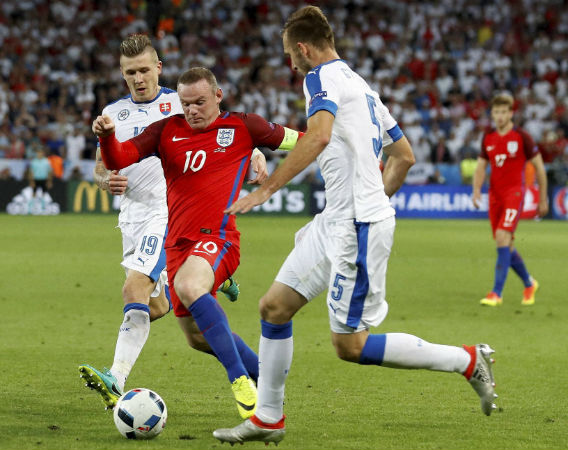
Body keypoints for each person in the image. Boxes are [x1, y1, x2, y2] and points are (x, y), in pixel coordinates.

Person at [213, 6, 498, 445]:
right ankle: (268, 419)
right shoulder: (362, 87)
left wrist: (266, 188)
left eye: (291, 55)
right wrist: (371, 198)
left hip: (357, 227)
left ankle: (466, 359)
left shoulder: (320, 79)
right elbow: (404, 157)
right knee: (273, 307)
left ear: (304, 49)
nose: (291, 64)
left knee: (351, 346)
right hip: (339, 219)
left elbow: (319, 135)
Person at [93, 66, 303, 419]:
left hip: (218, 238)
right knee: (197, 337)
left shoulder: (243, 126)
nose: (192, 111)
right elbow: (119, 159)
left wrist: (340, 142)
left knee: (189, 285)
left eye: (200, 102)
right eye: (186, 104)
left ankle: (239, 382)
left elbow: (303, 140)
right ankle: (266, 377)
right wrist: (106, 137)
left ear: (218, 97)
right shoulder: (166, 131)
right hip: (176, 246)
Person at [472, 93, 548, 306]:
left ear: (511, 113)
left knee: (502, 236)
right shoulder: (488, 137)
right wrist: (476, 190)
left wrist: (543, 198)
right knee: (506, 244)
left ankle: (496, 293)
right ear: (492, 113)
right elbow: (480, 166)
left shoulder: (522, 137)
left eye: (504, 112)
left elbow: (540, 169)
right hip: (495, 196)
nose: (500, 116)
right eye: (496, 112)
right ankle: (529, 283)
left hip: (514, 193)